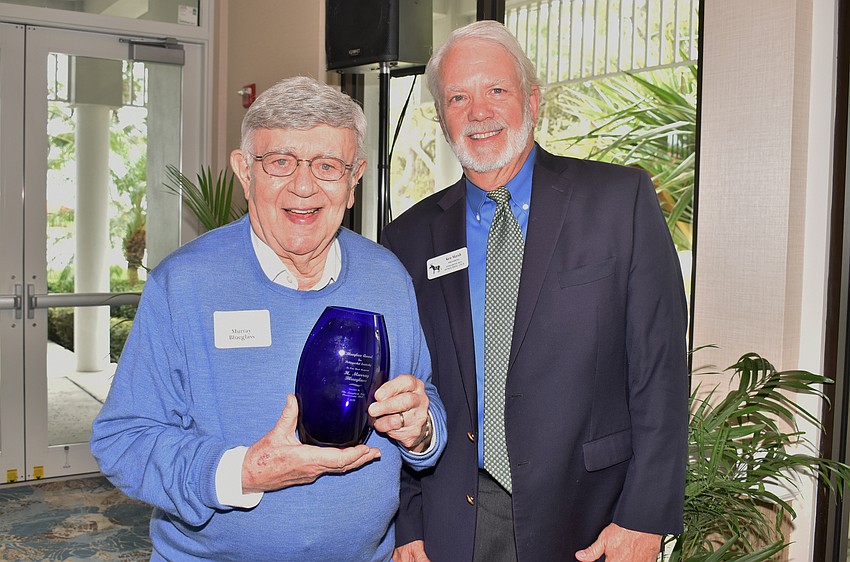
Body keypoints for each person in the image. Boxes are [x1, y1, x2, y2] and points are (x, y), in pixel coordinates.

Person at [91, 76, 447, 562]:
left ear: (354, 179)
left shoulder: (387, 277)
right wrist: (244, 471)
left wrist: (421, 428)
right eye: (280, 162)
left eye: (327, 165)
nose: (303, 186)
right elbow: (123, 441)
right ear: (244, 171)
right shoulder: (185, 284)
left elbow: (427, 400)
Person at [381, 20, 688, 562]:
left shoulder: (620, 203)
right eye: (459, 96)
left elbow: (659, 371)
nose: (479, 112)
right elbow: (399, 388)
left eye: (496, 90)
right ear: (442, 116)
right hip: (455, 522)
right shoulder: (406, 239)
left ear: (534, 100)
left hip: (589, 518)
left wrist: (644, 518)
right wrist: (408, 524)